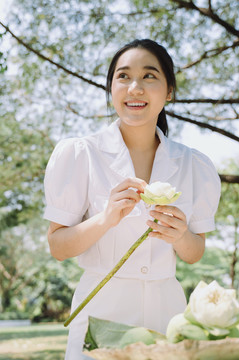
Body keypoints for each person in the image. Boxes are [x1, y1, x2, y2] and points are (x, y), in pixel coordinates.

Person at [43, 39, 221, 359]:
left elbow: (195, 254)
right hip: (100, 317)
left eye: (149, 76)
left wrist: (180, 235)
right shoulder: (81, 153)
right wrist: (106, 217)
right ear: (112, 89)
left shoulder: (195, 165)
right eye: (123, 77)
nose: (135, 87)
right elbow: (58, 246)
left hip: (167, 317)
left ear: (169, 91)